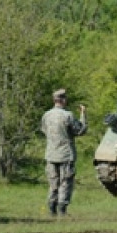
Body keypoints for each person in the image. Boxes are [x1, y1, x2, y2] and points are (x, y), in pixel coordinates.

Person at [40, 89, 87, 217]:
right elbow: (80, 130)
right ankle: (62, 209)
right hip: (66, 154)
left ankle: (51, 208)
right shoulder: (68, 115)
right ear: (63, 100)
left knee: (53, 182)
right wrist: (83, 114)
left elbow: (44, 130)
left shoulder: (46, 115)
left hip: (51, 154)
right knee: (65, 182)